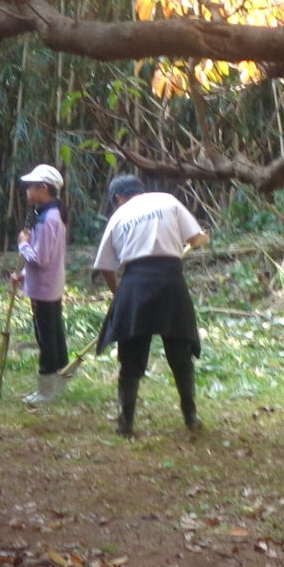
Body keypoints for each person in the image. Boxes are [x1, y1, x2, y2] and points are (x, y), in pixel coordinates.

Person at [91, 174, 209, 437]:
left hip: (135, 283)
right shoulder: (167, 201)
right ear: (140, 190)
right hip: (170, 281)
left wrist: (119, 293)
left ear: (118, 198)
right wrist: (202, 238)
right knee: (180, 354)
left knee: (131, 359)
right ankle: (190, 417)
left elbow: (105, 266)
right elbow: (194, 239)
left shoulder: (118, 217)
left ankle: (126, 424)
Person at [13, 163, 69, 405]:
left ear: (43, 188)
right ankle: (61, 380)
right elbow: (47, 255)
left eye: (31, 187)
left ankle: (47, 389)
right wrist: (24, 274)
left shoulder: (48, 220)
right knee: (54, 332)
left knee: (46, 337)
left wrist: (22, 244)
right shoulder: (50, 215)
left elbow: (41, 258)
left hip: (44, 288)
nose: (27, 191)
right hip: (49, 284)